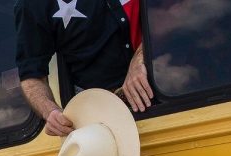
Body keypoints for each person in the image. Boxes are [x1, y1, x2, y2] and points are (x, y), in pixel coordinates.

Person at [14, 0, 153, 137]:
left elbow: (170, 12)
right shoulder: (31, 5)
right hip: (99, 125)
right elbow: (32, 77)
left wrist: (140, 57)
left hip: (162, 92)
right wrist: (51, 112)